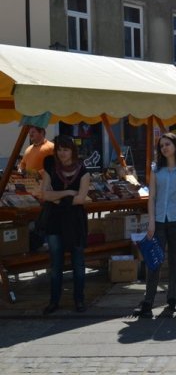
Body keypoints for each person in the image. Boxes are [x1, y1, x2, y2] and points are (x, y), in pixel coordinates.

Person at [134, 133, 176, 317]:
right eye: (161, 146)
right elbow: (152, 197)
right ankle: (148, 301)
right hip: (160, 221)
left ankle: (172, 298)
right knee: (154, 260)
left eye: (167, 144)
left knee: (175, 260)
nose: (164, 148)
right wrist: (151, 222)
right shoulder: (156, 169)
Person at [40, 135, 90, 314]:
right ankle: (54, 301)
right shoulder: (50, 167)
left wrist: (56, 198)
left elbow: (81, 199)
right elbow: (44, 194)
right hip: (54, 221)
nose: (62, 153)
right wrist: (68, 192)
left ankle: (79, 300)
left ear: (72, 151)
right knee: (56, 264)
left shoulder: (83, 171)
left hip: (75, 221)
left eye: (66, 149)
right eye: (59, 149)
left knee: (78, 263)